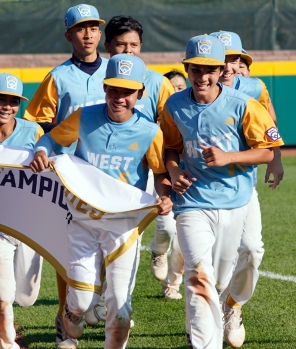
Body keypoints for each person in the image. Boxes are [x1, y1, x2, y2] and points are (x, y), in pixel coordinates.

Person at [30, 54, 173, 349]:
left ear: (139, 94)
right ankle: (71, 311)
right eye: (113, 89)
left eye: (127, 92)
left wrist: (165, 195)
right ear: (105, 88)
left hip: (123, 228)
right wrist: (40, 151)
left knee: (120, 312)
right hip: (82, 221)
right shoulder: (84, 117)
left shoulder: (150, 131)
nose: (119, 98)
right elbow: (51, 140)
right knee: (82, 303)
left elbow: (160, 172)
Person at [159, 34, 284, 348]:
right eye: (196, 69)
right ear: (186, 69)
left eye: (210, 69)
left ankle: (232, 306)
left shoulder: (243, 103)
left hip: (235, 200)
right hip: (191, 202)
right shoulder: (174, 104)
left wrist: (230, 157)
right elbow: (170, 148)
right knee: (200, 276)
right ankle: (202, 341)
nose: (203, 76)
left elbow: (268, 150)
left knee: (222, 277)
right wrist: (174, 172)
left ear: (222, 69)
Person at [22, 4, 107, 347]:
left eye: (93, 28)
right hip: (68, 172)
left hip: (106, 170)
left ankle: (94, 296)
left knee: (106, 242)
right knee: (67, 247)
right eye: (80, 28)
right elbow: (37, 123)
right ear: (68, 35)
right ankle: (65, 313)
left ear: (100, 33)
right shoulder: (57, 77)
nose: (88, 34)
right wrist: (47, 151)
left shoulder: (115, 73)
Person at [209, 30, 284, 348]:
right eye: (223, 59)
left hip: (242, 186)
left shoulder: (254, 86)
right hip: (203, 192)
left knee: (252, 250)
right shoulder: (193, 93)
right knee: (213, 270)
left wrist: (275, 157)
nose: (229, 65)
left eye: (235, 59)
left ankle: (233, 306)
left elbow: (269, 119)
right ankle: (203, 319)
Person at [102, 15, 179, 303]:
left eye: (134, 44)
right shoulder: (104, 80)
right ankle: (117, 302)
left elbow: (172, 126)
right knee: (118, 238)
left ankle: (159, 250)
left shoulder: (157, 83)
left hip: (152, 167)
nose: (128, 51)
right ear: (108, 45)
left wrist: (172, 167)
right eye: (121, 45)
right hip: (114, 169)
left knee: (167, 226)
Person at [0, 73, 44, 349]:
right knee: (2, 294)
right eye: (0, 99)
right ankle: (6, 343)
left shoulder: (33, 131)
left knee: (25, 296)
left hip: (29, 223)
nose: (7, 106)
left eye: (13, 101)